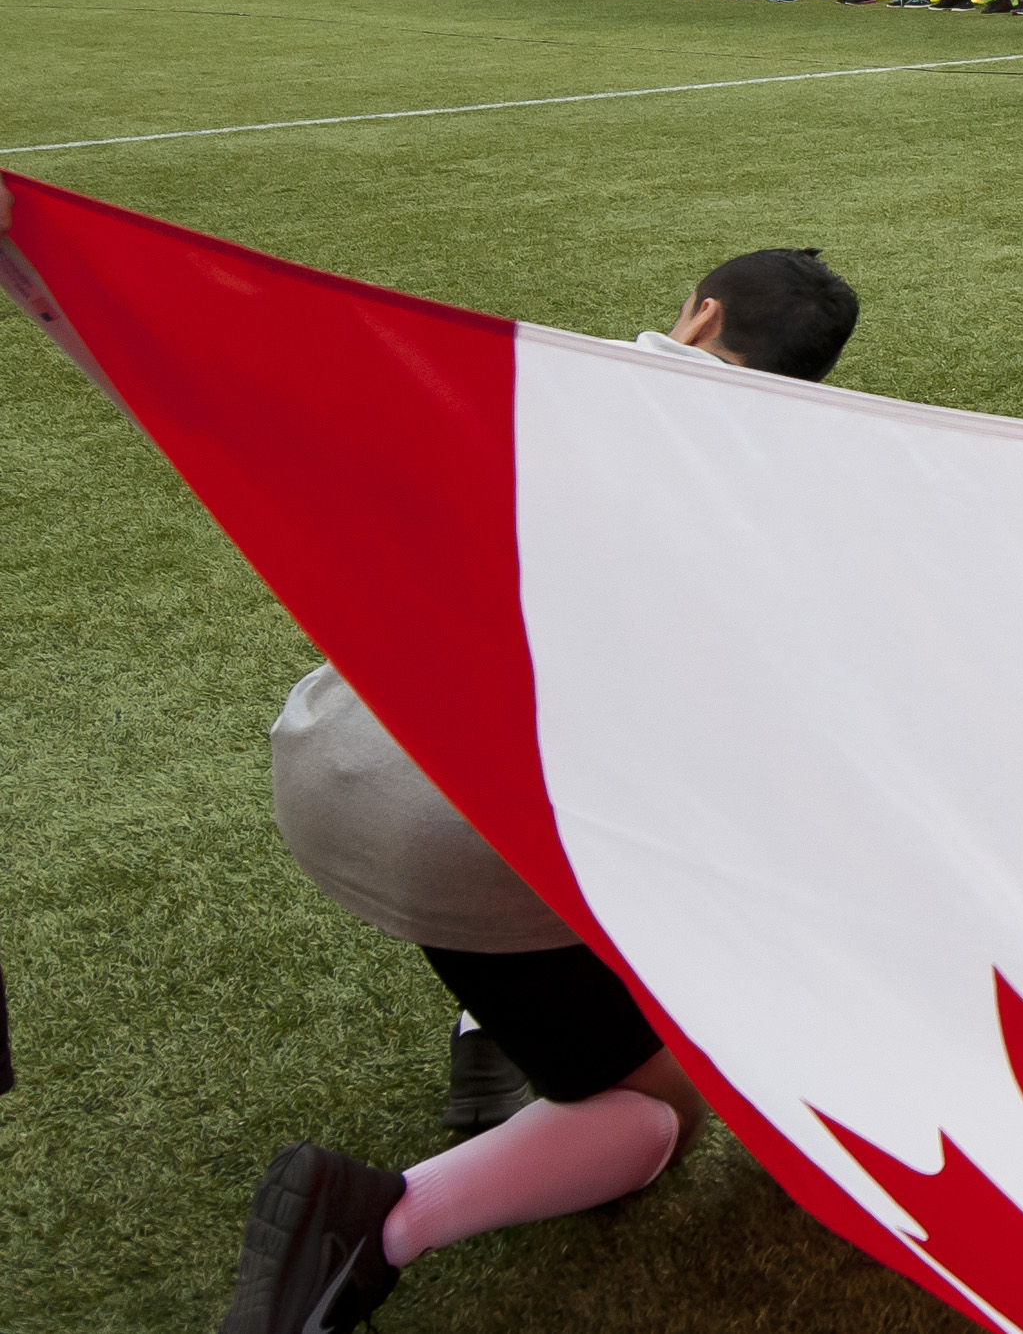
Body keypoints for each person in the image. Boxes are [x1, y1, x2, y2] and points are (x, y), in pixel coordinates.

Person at [221, 252, 860, 1334]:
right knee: (660, 1113)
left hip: (326, 747)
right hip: (468, 833)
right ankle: (381, 1222)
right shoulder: (799, 489)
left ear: (701, 316)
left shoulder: (530, 378)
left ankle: (496, 1013)